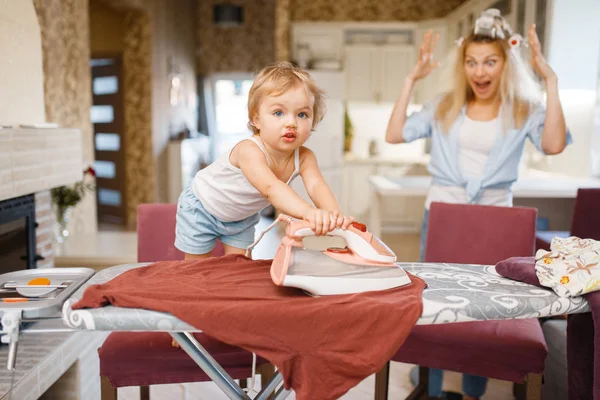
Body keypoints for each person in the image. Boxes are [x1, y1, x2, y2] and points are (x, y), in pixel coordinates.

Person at [385, 8, 572, 400]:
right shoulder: (444, 104)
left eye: (490, 61)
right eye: (471, 62)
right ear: (463, 65)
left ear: (506, 64)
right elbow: (396, 134)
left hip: (496, 222)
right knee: (431, 303)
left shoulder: (523, 108)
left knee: (485, 309)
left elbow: (554, 144)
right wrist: (410, 79)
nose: (480, 71)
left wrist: (550, 80)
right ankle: (432, 390)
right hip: (442, 217)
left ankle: (473, 392)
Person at [175, 61, 354, 260]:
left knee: (238, 269)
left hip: (240, 218)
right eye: (278, 113)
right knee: (195, 271)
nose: (291, 123)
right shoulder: (249, 150)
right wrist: (310, 213)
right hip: (202, 206)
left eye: (302, 114)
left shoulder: (305, 157)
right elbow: (271, 188)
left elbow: (317, 186)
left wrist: (334, 216)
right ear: (256, 119)